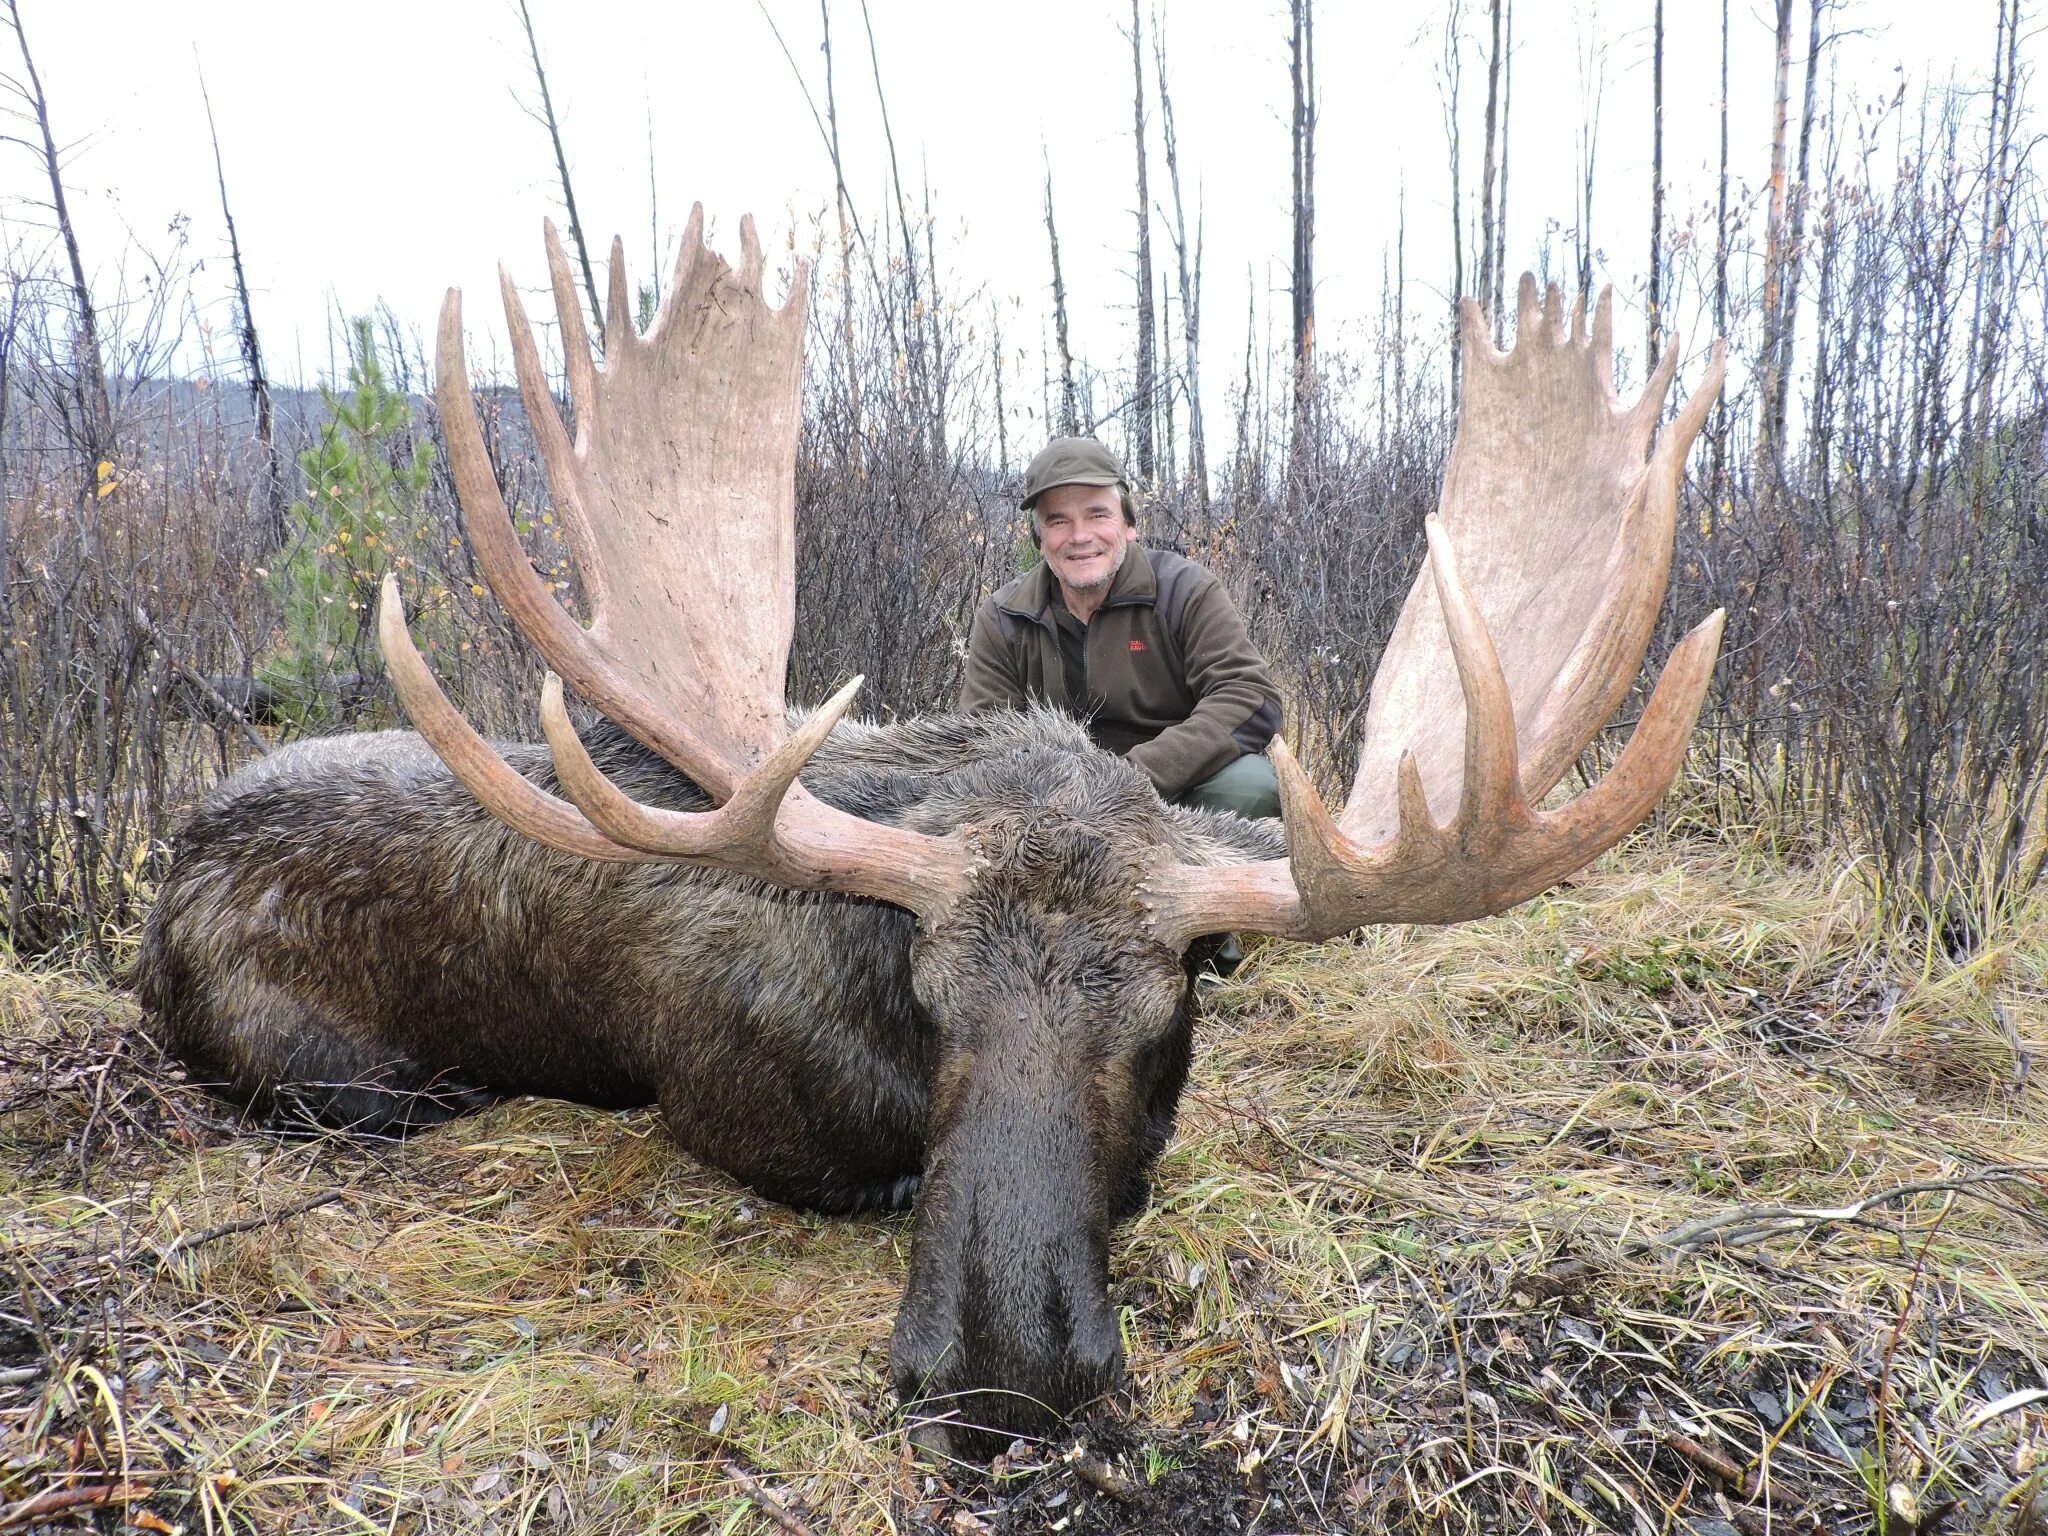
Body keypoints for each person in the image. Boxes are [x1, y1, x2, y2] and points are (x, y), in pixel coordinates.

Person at [959, 436, 1282, 822]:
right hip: (1053, 804)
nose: (1080, 537)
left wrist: (1126, 779)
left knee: (1251, 789)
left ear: (1128, 524)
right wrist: (1056, 799)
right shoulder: (1003, 617)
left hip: (1175, 784)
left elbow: (1248, 695)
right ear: (1039, 539)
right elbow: (981, 741)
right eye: (1058, 521)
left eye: (1098, 515)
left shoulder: (1186, 590)